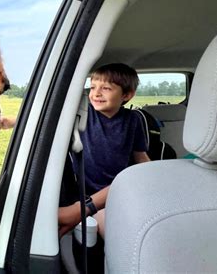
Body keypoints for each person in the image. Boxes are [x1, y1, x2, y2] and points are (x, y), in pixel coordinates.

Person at [58, 63, 151, 238]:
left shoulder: (133, 120)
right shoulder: (83, 114)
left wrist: (150, 178)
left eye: (106, 88)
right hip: (89, 193)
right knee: (113, 231)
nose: (96, 93)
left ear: (126, 95)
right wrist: (9, 122)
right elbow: (47, 122)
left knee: (135, 228)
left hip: (121, 189)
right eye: (92, 87)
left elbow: (140, 157)